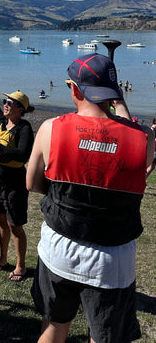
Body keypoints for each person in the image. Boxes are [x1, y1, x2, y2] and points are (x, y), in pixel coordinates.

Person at [26, 53, 155, 342]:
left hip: (60, 246)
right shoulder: (144, 138)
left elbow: (31, 183)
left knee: (54, 327)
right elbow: (127, 131)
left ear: (74, 89)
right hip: (112, 260)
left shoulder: (50, 129)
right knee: (105, 335)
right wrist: (118, 103)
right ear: (114, 92)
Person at [0, 76, 34, 281]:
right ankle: (2, 260)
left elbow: (22, 155)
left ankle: (21, 266)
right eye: (5, 102)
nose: (5, 105)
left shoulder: (25, 128)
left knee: (15, 225)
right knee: (1, 221)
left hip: (15, 183)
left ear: (21, 109)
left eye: (10, 103)